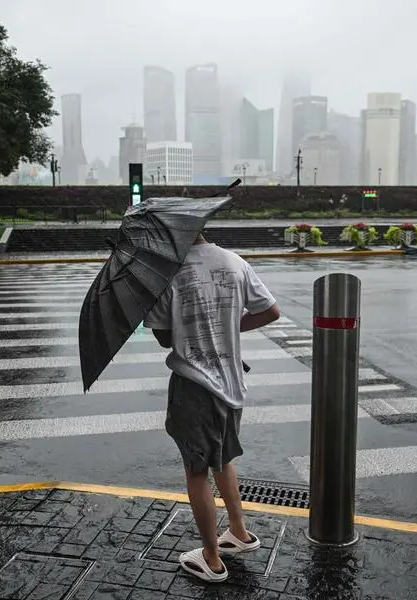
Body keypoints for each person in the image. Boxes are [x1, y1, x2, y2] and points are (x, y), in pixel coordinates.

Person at [144, 233, 280, 583]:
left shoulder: (168, 275)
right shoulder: (234, 261)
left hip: (194, 386)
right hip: (231, 381)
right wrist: (228, 327)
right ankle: (239, 531)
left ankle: (211, 558)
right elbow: (270, 310)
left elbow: (164, 338)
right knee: (222, 457)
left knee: (196, 470)